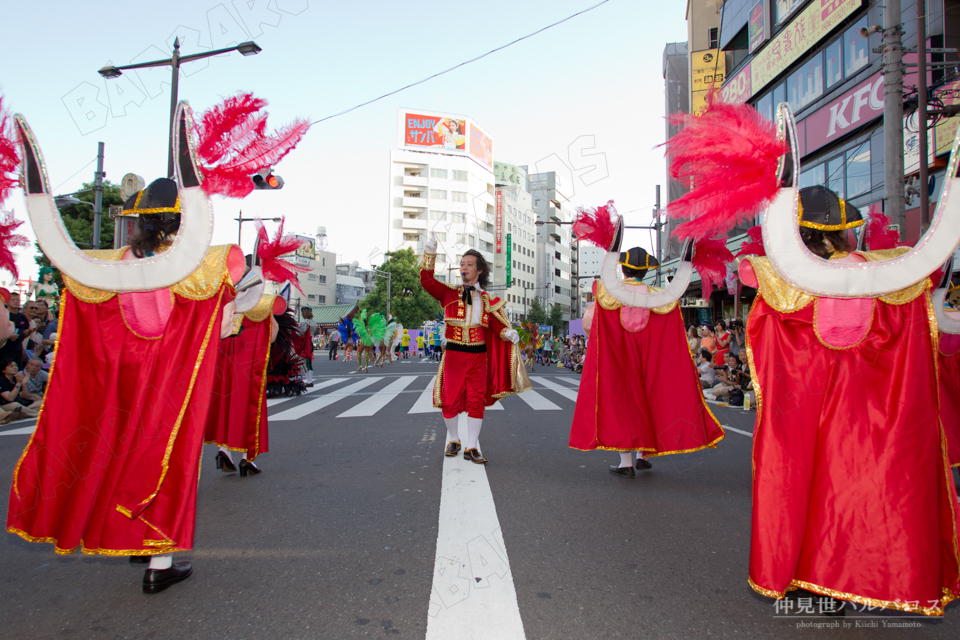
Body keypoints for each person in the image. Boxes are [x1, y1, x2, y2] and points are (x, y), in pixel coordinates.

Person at [7, 171, 245, 594]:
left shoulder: (111, 262)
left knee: (118, 451)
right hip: (172, 376)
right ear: (182, 221)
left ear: (139, 219)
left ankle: (133, 539)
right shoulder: (205, 264)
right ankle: (159, 561)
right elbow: (222, 328)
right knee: (169, 461)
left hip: (121, 376)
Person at [738, 184, 960, 614]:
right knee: (865, 495)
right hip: (878, 415)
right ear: (845, 233)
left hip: (808, 414)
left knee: (808, 488)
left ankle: (811, 578)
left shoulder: (782, 282)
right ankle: (860, 579)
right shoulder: (890, 273)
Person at [569, 241, 724, 477]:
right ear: (646, 271)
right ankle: (642, 455)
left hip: (619, 358)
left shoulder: (608, 293)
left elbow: (589, 325)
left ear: (622, 270)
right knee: (650, 397)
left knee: (622, 403)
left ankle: (626, 462)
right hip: (651, 357)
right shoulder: (661, 298)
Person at [420, 237, 529, 464]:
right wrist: (429, 256)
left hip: (478, 355)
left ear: (479, 271)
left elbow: (496, 324)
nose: (464, 267)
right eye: (462, 263)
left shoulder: (488, 300)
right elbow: (427, 282)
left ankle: (471, 445)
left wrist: (506, 333)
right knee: (450, 398)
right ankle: (454, 438)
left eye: (469, 264)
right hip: (454, 354)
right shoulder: (448, 293)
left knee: (476, 400)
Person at [298, 307, 318, 386]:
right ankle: (310, 380)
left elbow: (300, 332)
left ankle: (309, 381)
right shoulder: (313, 322)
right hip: (310, 342)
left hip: (305, 342)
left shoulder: (305, 323)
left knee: (305, 362)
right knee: (309, 362)